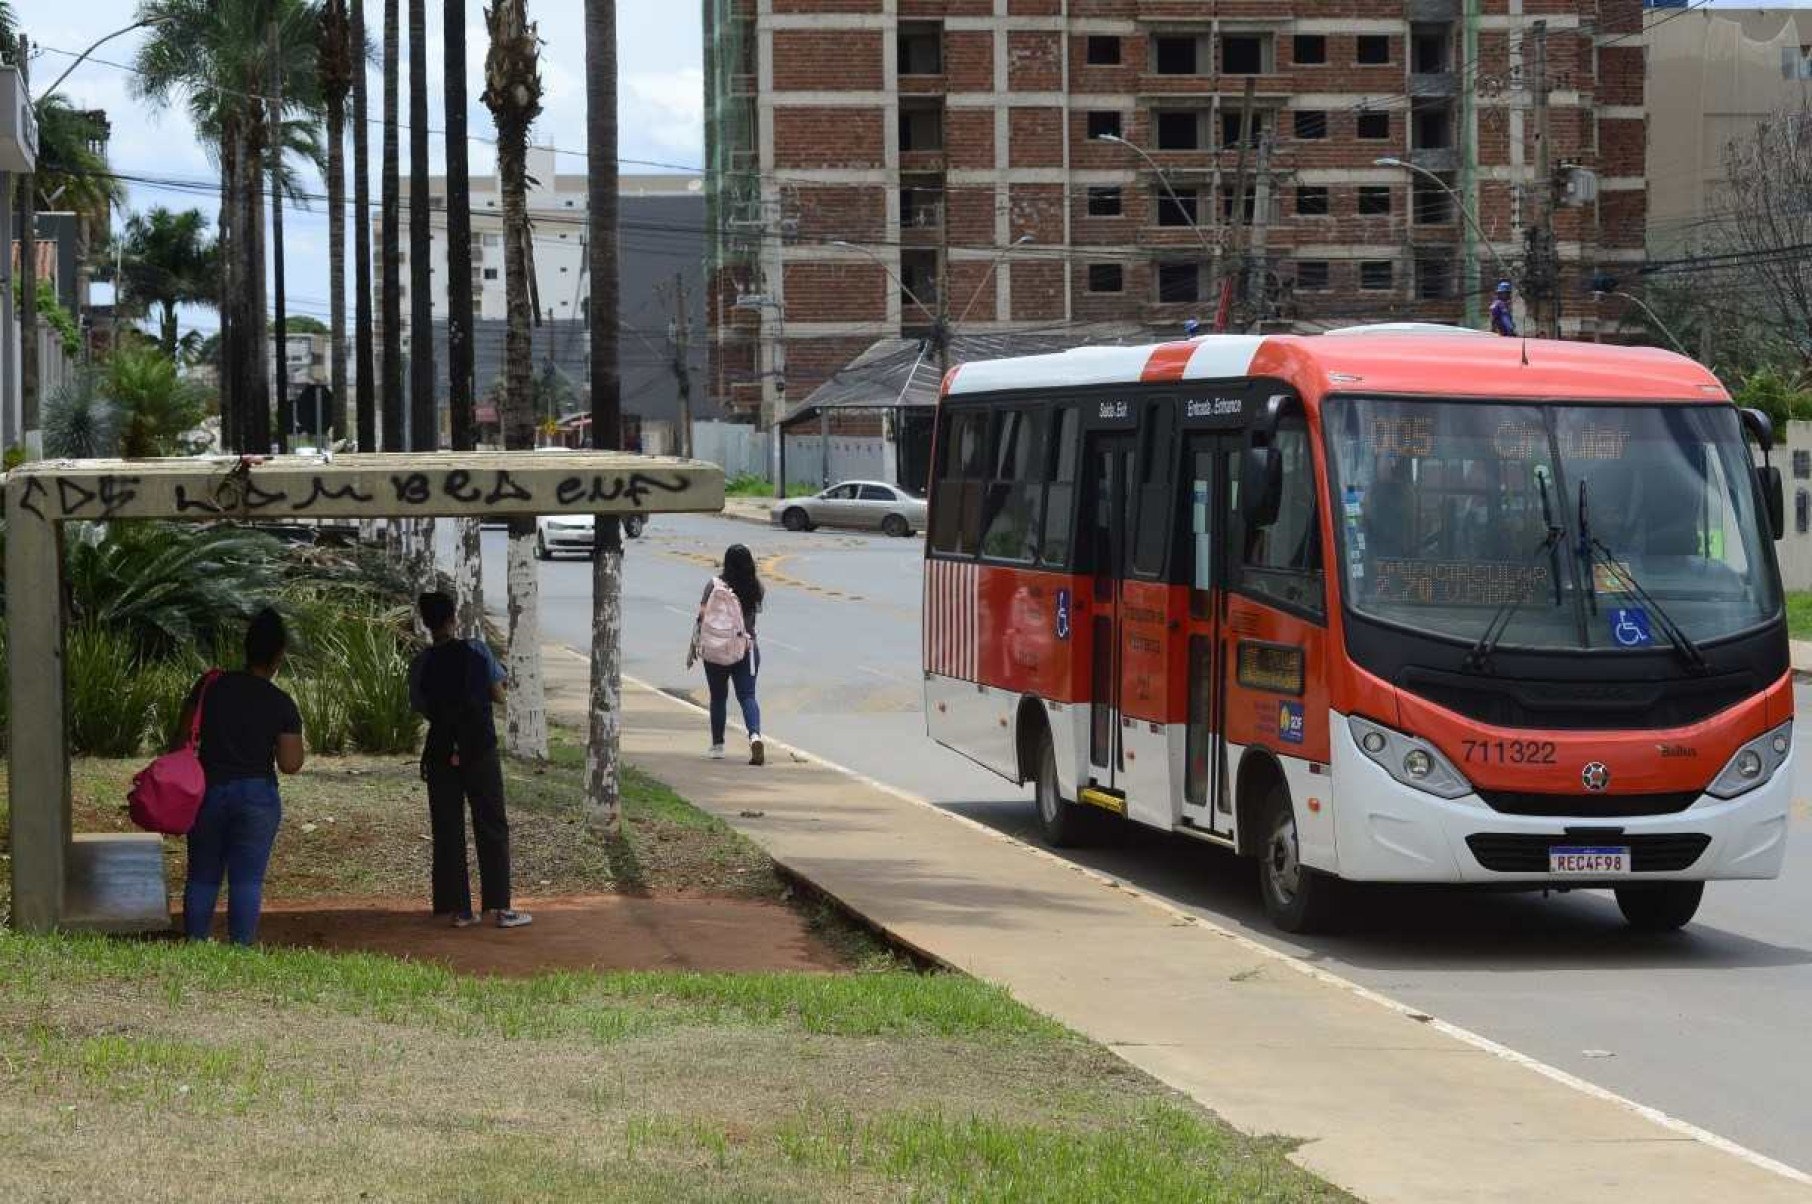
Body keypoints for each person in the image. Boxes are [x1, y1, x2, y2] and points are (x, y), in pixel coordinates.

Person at [178, 608, 304, 946]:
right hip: (257, 795)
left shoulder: (210, 687)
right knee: (247, 880)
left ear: (245, 648)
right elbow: (291, 763)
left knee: (202, 876)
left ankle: (194, 943)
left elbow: (181, 737)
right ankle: (241, 949)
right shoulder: (281, 703)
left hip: (207, 790)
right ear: (279, 655)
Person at [410, 592, 532, 930]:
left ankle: (458, 908)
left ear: (426, 622)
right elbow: (497, 694)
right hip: (479, 748)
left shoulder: (421, 662)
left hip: (439, 751)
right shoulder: (476, 650)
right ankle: (497, 906)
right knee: (491, 824)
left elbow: (420, 705)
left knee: (448, 827)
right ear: (453, 618)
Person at [693, 544, 766, 764]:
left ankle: (717, 745)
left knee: (718, 697)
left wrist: (695, 642)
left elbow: (702, 616)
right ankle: (754, 736)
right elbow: (755, 614)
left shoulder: (714, 585)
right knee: (747, 696)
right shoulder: (756, 587)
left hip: (716, 648)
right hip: (745, 647)